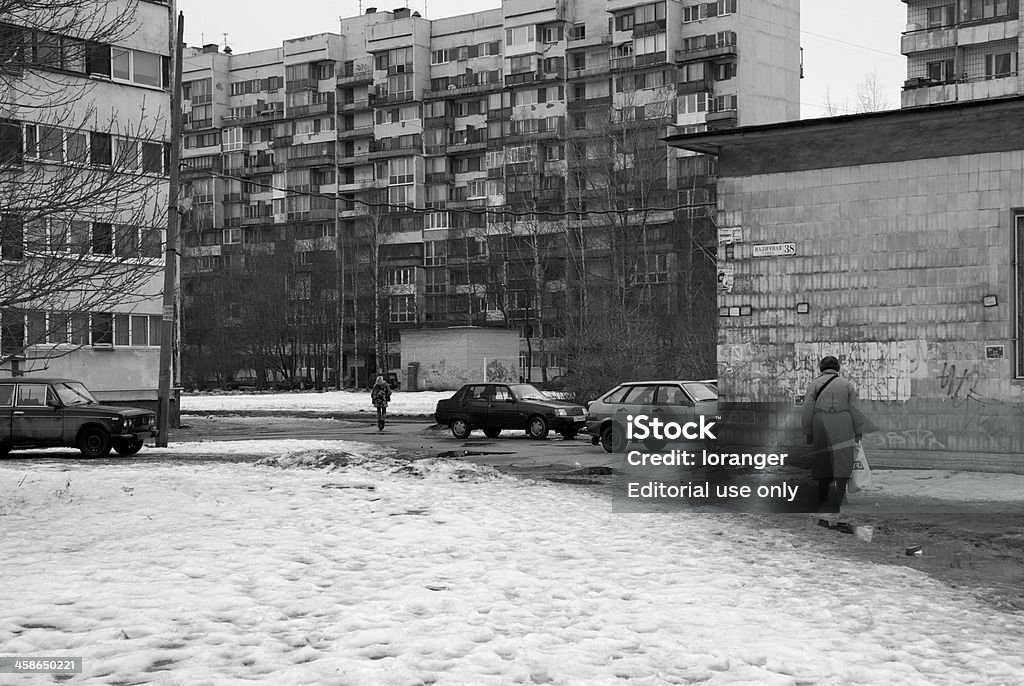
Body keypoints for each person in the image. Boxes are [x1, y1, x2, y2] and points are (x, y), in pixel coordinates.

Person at [800, 356, 871, 512]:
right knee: (843, 460)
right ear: (838, 368)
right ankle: (840, 497)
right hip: (843, 423)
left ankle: (823, 497)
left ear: (821, 368)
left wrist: (808, 431)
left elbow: (807, 409)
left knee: (822, 459)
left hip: (821, 423)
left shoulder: (814, 384)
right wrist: (858, 431)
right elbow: (855, 410)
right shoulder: (847, 385)